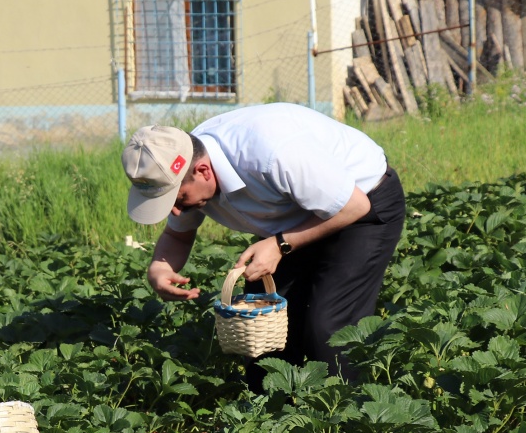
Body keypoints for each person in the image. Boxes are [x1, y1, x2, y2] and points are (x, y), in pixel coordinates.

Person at [123, 104, 404, 390]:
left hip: (360, 209)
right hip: (292, 219)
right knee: (264, 317)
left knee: (329, 324)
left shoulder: (272, 153)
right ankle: (271, 415)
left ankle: (342, 415)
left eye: (178, 198)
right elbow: (178, 236)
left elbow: (354, 206)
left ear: (204, 170)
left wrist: (281, 244)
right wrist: (160, 267)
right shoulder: (185, 167)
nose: (177, 212)